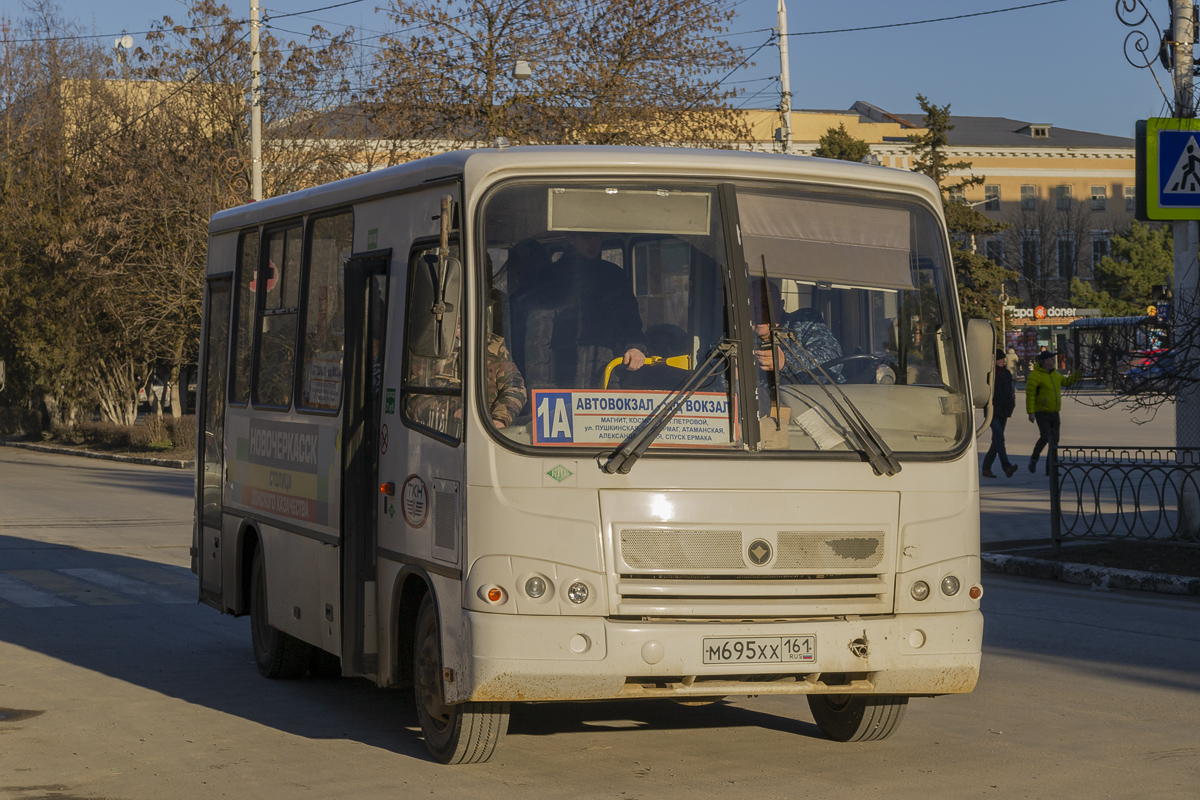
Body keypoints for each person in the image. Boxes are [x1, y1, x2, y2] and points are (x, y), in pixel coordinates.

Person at [517, 231, 646, 388]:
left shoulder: (614, 276)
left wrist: (635, 347)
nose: (593, 242)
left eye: (598, 236)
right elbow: (538, 339)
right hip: (561, 378)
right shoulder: (550, 277)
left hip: (607, 377)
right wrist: (540, 388)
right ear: (570, 238)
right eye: (586, 237)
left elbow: (630, 321)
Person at [1026, 349, 1081, 474]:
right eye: (1051, 359)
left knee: (1054, 441)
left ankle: (1051, 468)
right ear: (1045, 361)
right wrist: (1031, 412)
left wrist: (1078, 374)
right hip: (1042, 412)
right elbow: (1030, 395)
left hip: (1055, 412)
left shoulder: (1055, 374)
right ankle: (1034, 458)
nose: (1053, 361)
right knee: (1045, 437)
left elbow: (1067, 382)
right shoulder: (1036, 376)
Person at [982, 349, 1018, 478]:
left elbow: (1011, 391)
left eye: (1003, 359)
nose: (1003, 361)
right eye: (1000, 359)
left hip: (1004, 410)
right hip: (992, 411)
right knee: (999, 438)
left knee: (996, 441)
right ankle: (1007, 466)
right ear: (994, 361)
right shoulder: (989, 375)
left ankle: (986, 468)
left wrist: (1011, 405)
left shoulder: (1006, 373)